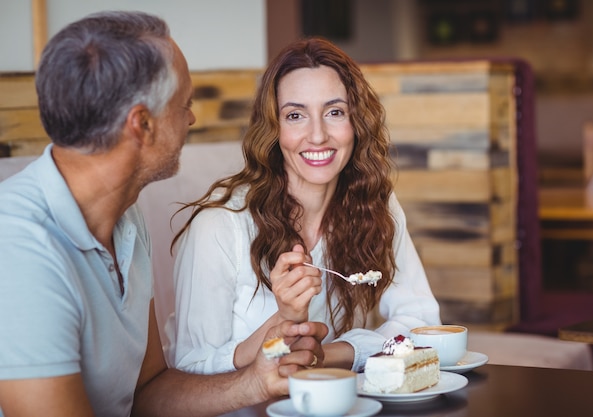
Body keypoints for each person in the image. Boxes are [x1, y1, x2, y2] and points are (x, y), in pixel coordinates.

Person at [0, 11, 327, 417]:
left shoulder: (125, 217)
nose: (190, 118)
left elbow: (149, 390)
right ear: (142, 124)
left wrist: (255, 381)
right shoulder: (18, 246)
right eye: (183, 104)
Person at [165, 37, 441, 376]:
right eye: (295, 115)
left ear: (357, 123)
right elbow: (192, 369)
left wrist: (331, 353)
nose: (318, 135)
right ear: (274, 129)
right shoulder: (220, 226)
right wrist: (283, 323)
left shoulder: (375, 204)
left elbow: (422, 322)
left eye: (335, 112)